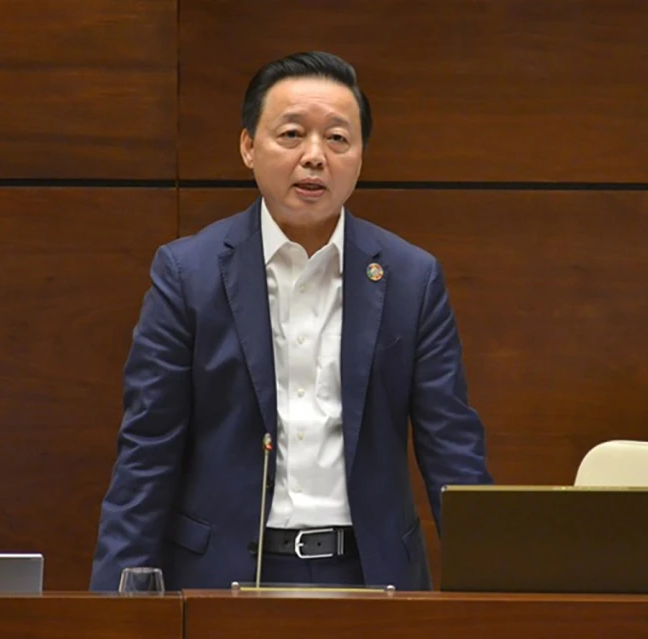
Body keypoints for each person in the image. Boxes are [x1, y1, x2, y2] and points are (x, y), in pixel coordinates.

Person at [89, 51, 492, 591]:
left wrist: (496, 595)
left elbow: (453, 450)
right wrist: (114, 606)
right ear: (248, 147)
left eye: (338, 139)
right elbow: (147, 450)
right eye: (292, 135)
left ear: (361, 157)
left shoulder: (411, 279)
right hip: (224, 579)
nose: (315, 157)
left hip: (371, 578)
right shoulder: (188, 274)